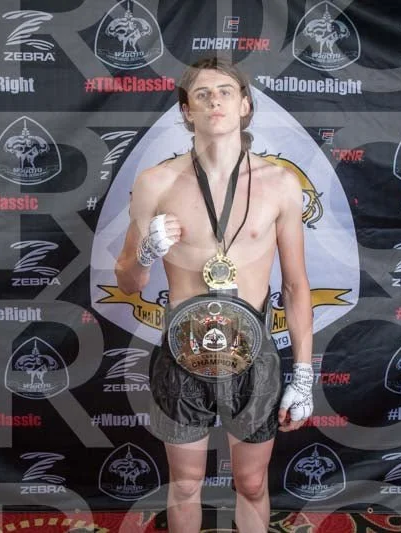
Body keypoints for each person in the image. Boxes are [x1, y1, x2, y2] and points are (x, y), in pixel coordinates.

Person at [115, 57, 313, 533]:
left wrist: (305, 374)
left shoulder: (281, 184)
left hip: (255, 356)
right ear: (187, 111)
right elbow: (127, 283)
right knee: (185, 485)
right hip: (181, 357)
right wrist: (145, 252)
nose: (214, 101)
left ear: (245, 105)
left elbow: (295, 286)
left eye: (226, 92)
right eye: (201, 95)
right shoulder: (155, 182)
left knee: (252, 484)